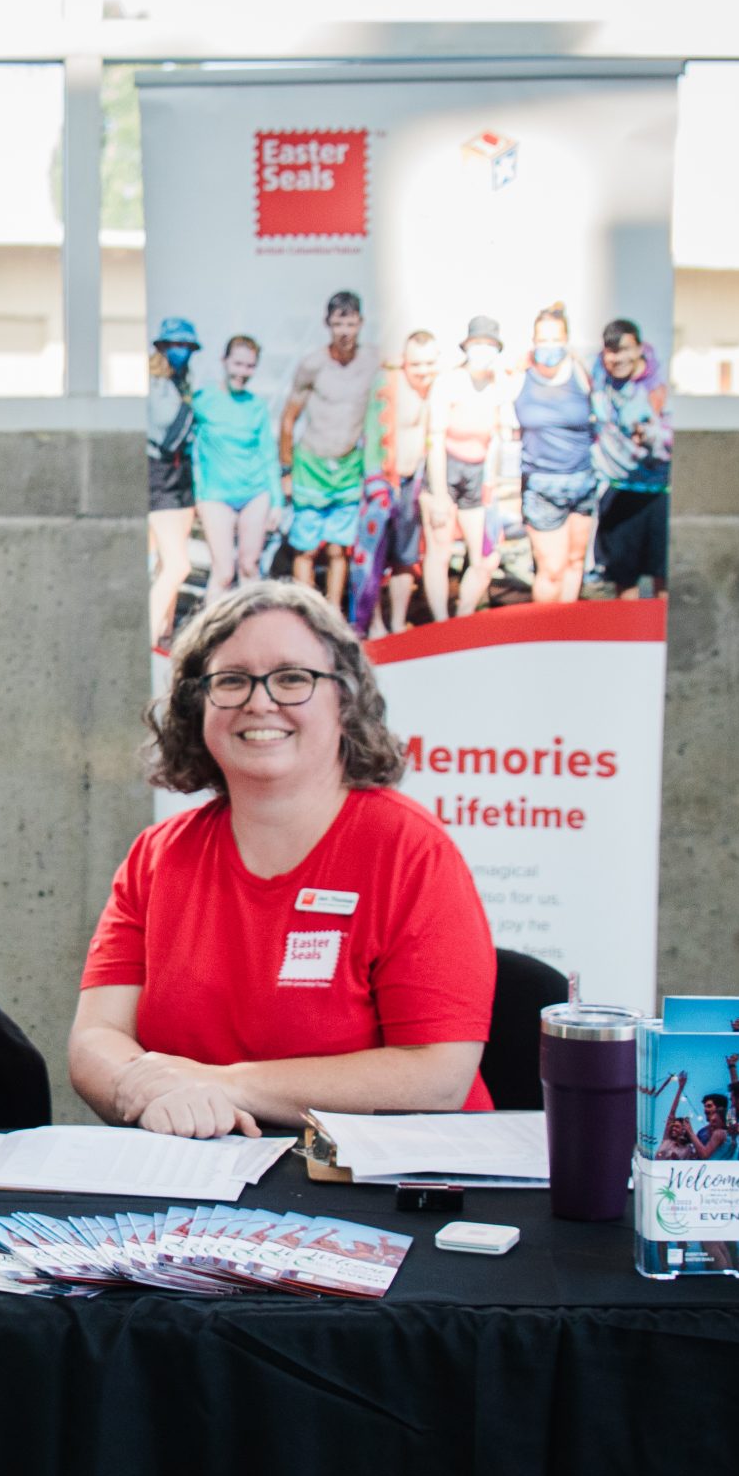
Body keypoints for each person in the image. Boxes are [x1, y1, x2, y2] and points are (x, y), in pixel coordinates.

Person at [65, 579, 493, 1136]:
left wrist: (224, 1085)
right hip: (200, 1166)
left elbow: (437, 1077)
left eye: (292, 678)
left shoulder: (411, 852)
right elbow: (95, 1038)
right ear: (197, 706)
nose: (260, 701)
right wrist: (148, 1092)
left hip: (390, 1173)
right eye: (231, 680)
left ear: (345, 700)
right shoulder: (157, 857)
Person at [278, 290, 382, 610]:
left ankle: (334, 612)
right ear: (328, 324)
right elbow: (289, 417)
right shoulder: (313, 364)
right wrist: (286, 469)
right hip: (311, 463)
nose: (345, 332)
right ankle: (306, 611)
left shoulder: (372, 360)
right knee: (306, 549)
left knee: (339, 549)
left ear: (361, 323)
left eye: (350, 323)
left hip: (348, 465)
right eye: (338, 324)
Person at [424, 315, 517, 621]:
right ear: (466, 346)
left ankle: (462, 616)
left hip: (477, 475)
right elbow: (435, 440)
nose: (483, 351)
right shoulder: (448, 382)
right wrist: (439, 495)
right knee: (439, 551)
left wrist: (491, 487)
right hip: (444, 470)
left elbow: (498, 438)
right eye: (477, 343)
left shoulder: (498, 384)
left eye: (489, 345)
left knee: (486, 558)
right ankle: (440, 622)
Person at [514, 303, 600, 603]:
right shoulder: (520, 375)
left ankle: (567, 626)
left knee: (575, 563)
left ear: (566, 340)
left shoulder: (581, 372)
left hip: (582, 481)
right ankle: (544, 628)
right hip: (542, 486)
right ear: (533, 341)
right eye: (543, 340)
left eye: (555, 339)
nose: (549, 346)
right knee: (551, 570)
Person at [588, 317, 671, 598]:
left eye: (625, 350)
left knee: (663, 579)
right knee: (623, 579)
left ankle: (659, 626)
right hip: (618, 491)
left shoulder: (658, 386)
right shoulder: (598, 373)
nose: (618, 359)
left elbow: (673, 439)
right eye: (612, 352)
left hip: (660, 493)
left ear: (639, 349)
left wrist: (651, 436)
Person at [190, 334, 276, 597]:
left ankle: (252, 621)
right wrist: (195, 492)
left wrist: (277, 503)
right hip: (215, 495)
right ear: (224, 361)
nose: (243, 372)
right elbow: (187, 448)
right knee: (224, 572)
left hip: (254, 493)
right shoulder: (202, 400)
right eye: (238, 364)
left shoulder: (257, 406)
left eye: (250, 366)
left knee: (249, 566)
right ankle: (212, 623)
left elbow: (268, 454)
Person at [367, 331, 438, 634]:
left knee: (406, 555)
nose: (422, 371)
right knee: (373, 555)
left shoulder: (436, 385)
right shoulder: (389, 382)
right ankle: (373, 623)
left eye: (429, 363)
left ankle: (397, 621)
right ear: (404, 362)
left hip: (413, 481)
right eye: (416, 364)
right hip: (385, 480)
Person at [145, 316, 204, 649]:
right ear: (163, 347)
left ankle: (164, 634)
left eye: (187, 346)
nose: (182, 351)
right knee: (179, 566)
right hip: (159, 476)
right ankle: (149, 635)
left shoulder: (183, 382)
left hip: (182, 479)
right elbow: (166, 431)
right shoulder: (154, 383)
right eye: (176, 345)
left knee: (166, 563)